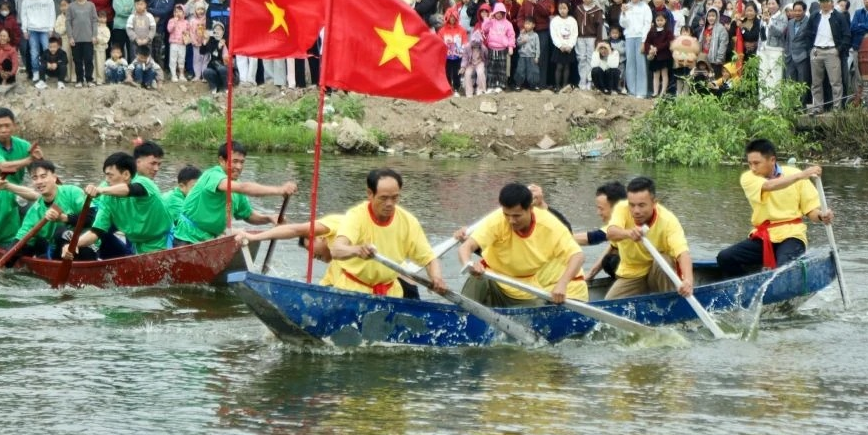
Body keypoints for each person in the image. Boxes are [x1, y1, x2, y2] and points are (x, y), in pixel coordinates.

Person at [716, 139, 833, 278]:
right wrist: (802, 175)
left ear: (772, 160)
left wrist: (821, 216)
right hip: (763, 237)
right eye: (750, 163)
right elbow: (770, 185)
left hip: (792, 236)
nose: (753, 168)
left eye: (756, 163)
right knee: (725, 257)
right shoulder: (748, 178)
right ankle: (745, 285)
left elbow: (810, 211)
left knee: (783, 269)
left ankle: (774, 281)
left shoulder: (794, 174)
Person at [457, 183, 585, 307]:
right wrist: (469, 263)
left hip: (524, 289)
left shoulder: (549, 225)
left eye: (517, 216)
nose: (511, 221)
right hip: (492, 279)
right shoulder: (496, 220)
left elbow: (578, 256)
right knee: (477, 280)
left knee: (539, 309)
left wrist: (562, 284)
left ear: (530, 208)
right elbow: (465, 247)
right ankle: (463, 314)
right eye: (507, 215)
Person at [326, 169, 447, 297]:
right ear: (370, 194)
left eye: (394, 198)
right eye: (383, 198)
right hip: (353, 291)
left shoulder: (408, 221)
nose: (389, 204)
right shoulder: (356, 216)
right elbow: (336, 250)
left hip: (391, 293)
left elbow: (429, 259)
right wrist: (357, 250)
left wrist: (436, 277)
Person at [170, 141, 297, 245]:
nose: (239, 167)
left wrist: (269, 218)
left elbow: (248, 215)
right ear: (222, 160)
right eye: (234, 161)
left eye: (242, 162)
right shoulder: (213, 175)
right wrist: (279, 190)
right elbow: (244, 187)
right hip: (187, 238)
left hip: (210, 239)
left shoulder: (236, 189)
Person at [604, 177, 696, 300]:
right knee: (609, 303)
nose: (636, 211)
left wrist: (688, 280)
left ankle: (670, 302)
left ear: (654, 203)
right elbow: (611, 233)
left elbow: (682, 253)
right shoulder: (622, 208)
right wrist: (628, 233)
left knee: (662, 261)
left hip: (659, 272)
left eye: (642, 205)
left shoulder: (668, 220)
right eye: (632, 205)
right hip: (633, 273)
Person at [68, 152, 172, 259]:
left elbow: (131, 189)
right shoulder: (107, 197)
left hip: (163, 242)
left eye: (110, 176)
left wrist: (101, 190)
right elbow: (96, 232)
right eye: (106, 175)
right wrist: (72, 245)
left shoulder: (144, 182)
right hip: (137, 244)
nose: (106, 180)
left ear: (126, 175)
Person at [6, 160, 90, 261]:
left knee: (61, 232)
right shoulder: (34, 211)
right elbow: (21, 239)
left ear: (54, 178)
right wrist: (6, 259)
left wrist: (65, 218)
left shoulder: (73, 192)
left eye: (43, 176)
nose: (39, 182)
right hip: (58, 252)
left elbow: (92, 218)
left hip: (86, 245)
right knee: (32, 245)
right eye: (35, 178)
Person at [804, 0, 852, 114]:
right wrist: (810, 49)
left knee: (835, 82)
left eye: (827, 2)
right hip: (817, 50)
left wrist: (838, 49)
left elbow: (847, 35)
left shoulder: (839, 17)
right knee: (816, 82)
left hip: (832, 51)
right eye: (822, 1)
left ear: (832, 3)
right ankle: (818, 107)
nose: (824, 4)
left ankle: (837, 108)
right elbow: (808, 34)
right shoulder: (814, 16)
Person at [0, 107, 42, 184]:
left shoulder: (24, 146)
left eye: (7, 126)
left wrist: (39, 159)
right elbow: (3, 167)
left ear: (14, 125)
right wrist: (30, 159)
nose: (4, 130)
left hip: (17, 189)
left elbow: (38, 172)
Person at [581, 181, 627, 281]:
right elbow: (613, 248)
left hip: (650, 271)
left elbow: (593, 237)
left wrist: (559, 238)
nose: (598, 213)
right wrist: (590, 274)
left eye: (601, 209)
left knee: (613, 261)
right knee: (608, 261)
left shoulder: (625, 220)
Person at [22, 0, 56, 84]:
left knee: (47, 51)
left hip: (45, 29)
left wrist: (51, 28)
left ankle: (45, 71)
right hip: (32, 29)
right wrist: (24, 30)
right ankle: (36, 72)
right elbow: (24, 15)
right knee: (34, 52)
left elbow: (52, 13)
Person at [65, 0, 98, 87]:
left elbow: (94, 21)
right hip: (75, 39)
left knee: (88, 60)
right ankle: (79, 80)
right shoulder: (71, 6)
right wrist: (70, 37)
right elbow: (68, 22)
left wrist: (94, 35)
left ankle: (89, 79)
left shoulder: (91, 5)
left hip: (88, 38)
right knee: (77, 61)